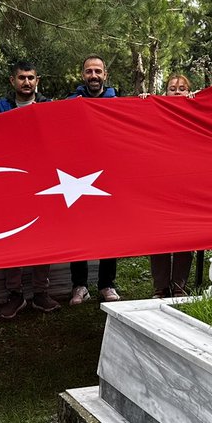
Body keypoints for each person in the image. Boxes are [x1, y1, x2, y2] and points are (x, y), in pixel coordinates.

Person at [0, 61, 60, 318]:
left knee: (43, 237)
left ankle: (41, 293)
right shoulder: (0, 107)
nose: (26, 82)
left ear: (37, 80)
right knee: (14, 238)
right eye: (21, 78)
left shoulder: (48, 106)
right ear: (13, 81)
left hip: (43, 181)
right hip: (11, 182)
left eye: (31, 77)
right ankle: (15, 294)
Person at [66, 55, 122, 305]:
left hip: (109, 175)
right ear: (82, 75)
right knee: (78, 231)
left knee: (110, 230)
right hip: (76, 176)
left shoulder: (118, 103)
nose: (93, 76)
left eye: (98, 71)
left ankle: (106, 284)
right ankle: (79, 285)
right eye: (89, 71)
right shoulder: (69, 103)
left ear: (105, 74)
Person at [148, 75, 195, 297]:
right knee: (159, 234)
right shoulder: (155, 112)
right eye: (172, 88)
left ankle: (179, 286)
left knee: (187, 233)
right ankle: (160, 286)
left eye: (182, 88)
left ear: (189, 92)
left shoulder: (196, 114)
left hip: (189, 184)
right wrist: (144, 104)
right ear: (164, 92)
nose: (177, 92)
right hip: (160, 184)